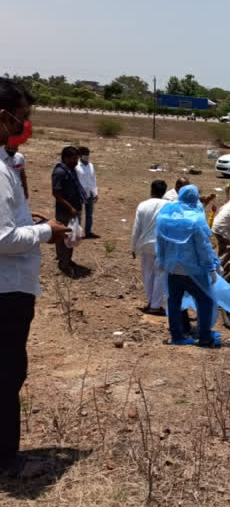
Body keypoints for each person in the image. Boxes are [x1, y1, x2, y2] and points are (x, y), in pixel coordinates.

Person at [0, 80, 71, 479]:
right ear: (3, 117)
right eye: (21, 118)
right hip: (5, 290)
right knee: (7, 374)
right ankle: (7, 459)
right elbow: (2, 238)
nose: (22, 125)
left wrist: (33, 221)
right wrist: (46, 233)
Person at [156, 185, 225, 347]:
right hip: (193, 270)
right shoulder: (196, 219)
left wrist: (161, 261)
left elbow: (160, 241)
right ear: (195, 198)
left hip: (173, 268)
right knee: (205, 301)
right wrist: (211, 267)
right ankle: (204, 337)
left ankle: (177, 336)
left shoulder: (168, 216)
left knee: (174, 302)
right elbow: (203, 248)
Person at [131, 180, 169, 315]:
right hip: (163, 245)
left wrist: (133, 247)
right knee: (160, 274)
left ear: (151, 190)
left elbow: (137, 228)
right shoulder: (169, 206)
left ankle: (151, 301)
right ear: (164, 191)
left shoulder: (142, 205)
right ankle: (155, 305)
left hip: (146, 244)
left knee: (147, 273)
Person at [52, 146, 86, 275]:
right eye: (74, 159)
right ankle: (63, 264)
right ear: (66, 158)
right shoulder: (59, 172)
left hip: (74, 209)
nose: (77, 162)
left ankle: (68, 259)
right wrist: (70, 207)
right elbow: (56, 193)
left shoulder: (71, 170)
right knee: (63, 236)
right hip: (65, 211)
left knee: (72, 236)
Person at [76, 146, 99, 239]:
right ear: (80, 155)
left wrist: (96, 192)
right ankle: (78, 233)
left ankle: (88, 232)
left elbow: (93, 180)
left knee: (89, 214)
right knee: (79, 214)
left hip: (90, 193)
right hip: (79, 194)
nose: (87, 156)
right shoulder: (76, 166)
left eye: (88, 154)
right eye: (85, 154)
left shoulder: (91, 166)